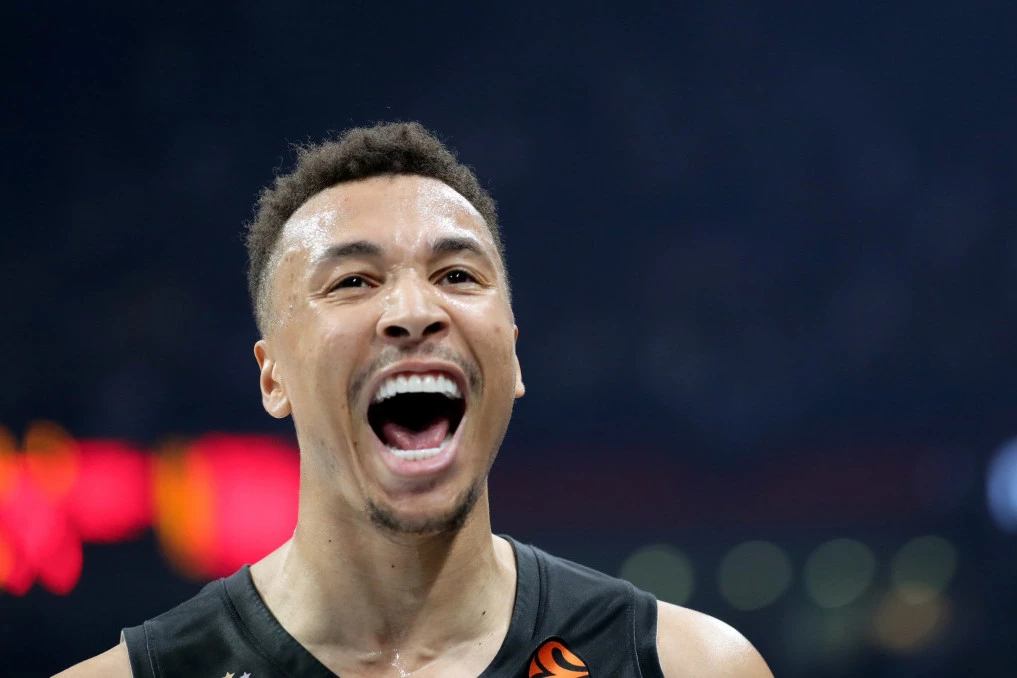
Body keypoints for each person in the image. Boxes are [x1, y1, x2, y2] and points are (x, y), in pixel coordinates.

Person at [57, 122, 772, 677]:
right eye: (353, 282)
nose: (413, 311)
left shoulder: (689, 667)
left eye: (457, 275)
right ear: (272, 378)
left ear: (513, 357)